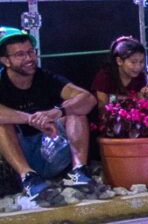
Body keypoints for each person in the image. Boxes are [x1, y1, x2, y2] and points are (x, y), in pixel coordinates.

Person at [0, 27, 98, 198]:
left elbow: (88, 99)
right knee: (2, 124)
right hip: (17, 157)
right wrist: (32, 119)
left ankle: (78, 172)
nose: (29, 58)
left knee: (76, 110)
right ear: (6, 61)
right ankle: (28, 178)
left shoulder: (44, 77)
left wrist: (56, 112)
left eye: (31, 52)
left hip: (50, 148)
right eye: (20, 55)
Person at [91, 35, 148, 108]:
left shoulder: (140, 76)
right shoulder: (105, 76)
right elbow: (102, 107)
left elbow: (142, 105)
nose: (138, 67)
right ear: (119, 61)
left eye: (141, 62)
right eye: (133, 62)